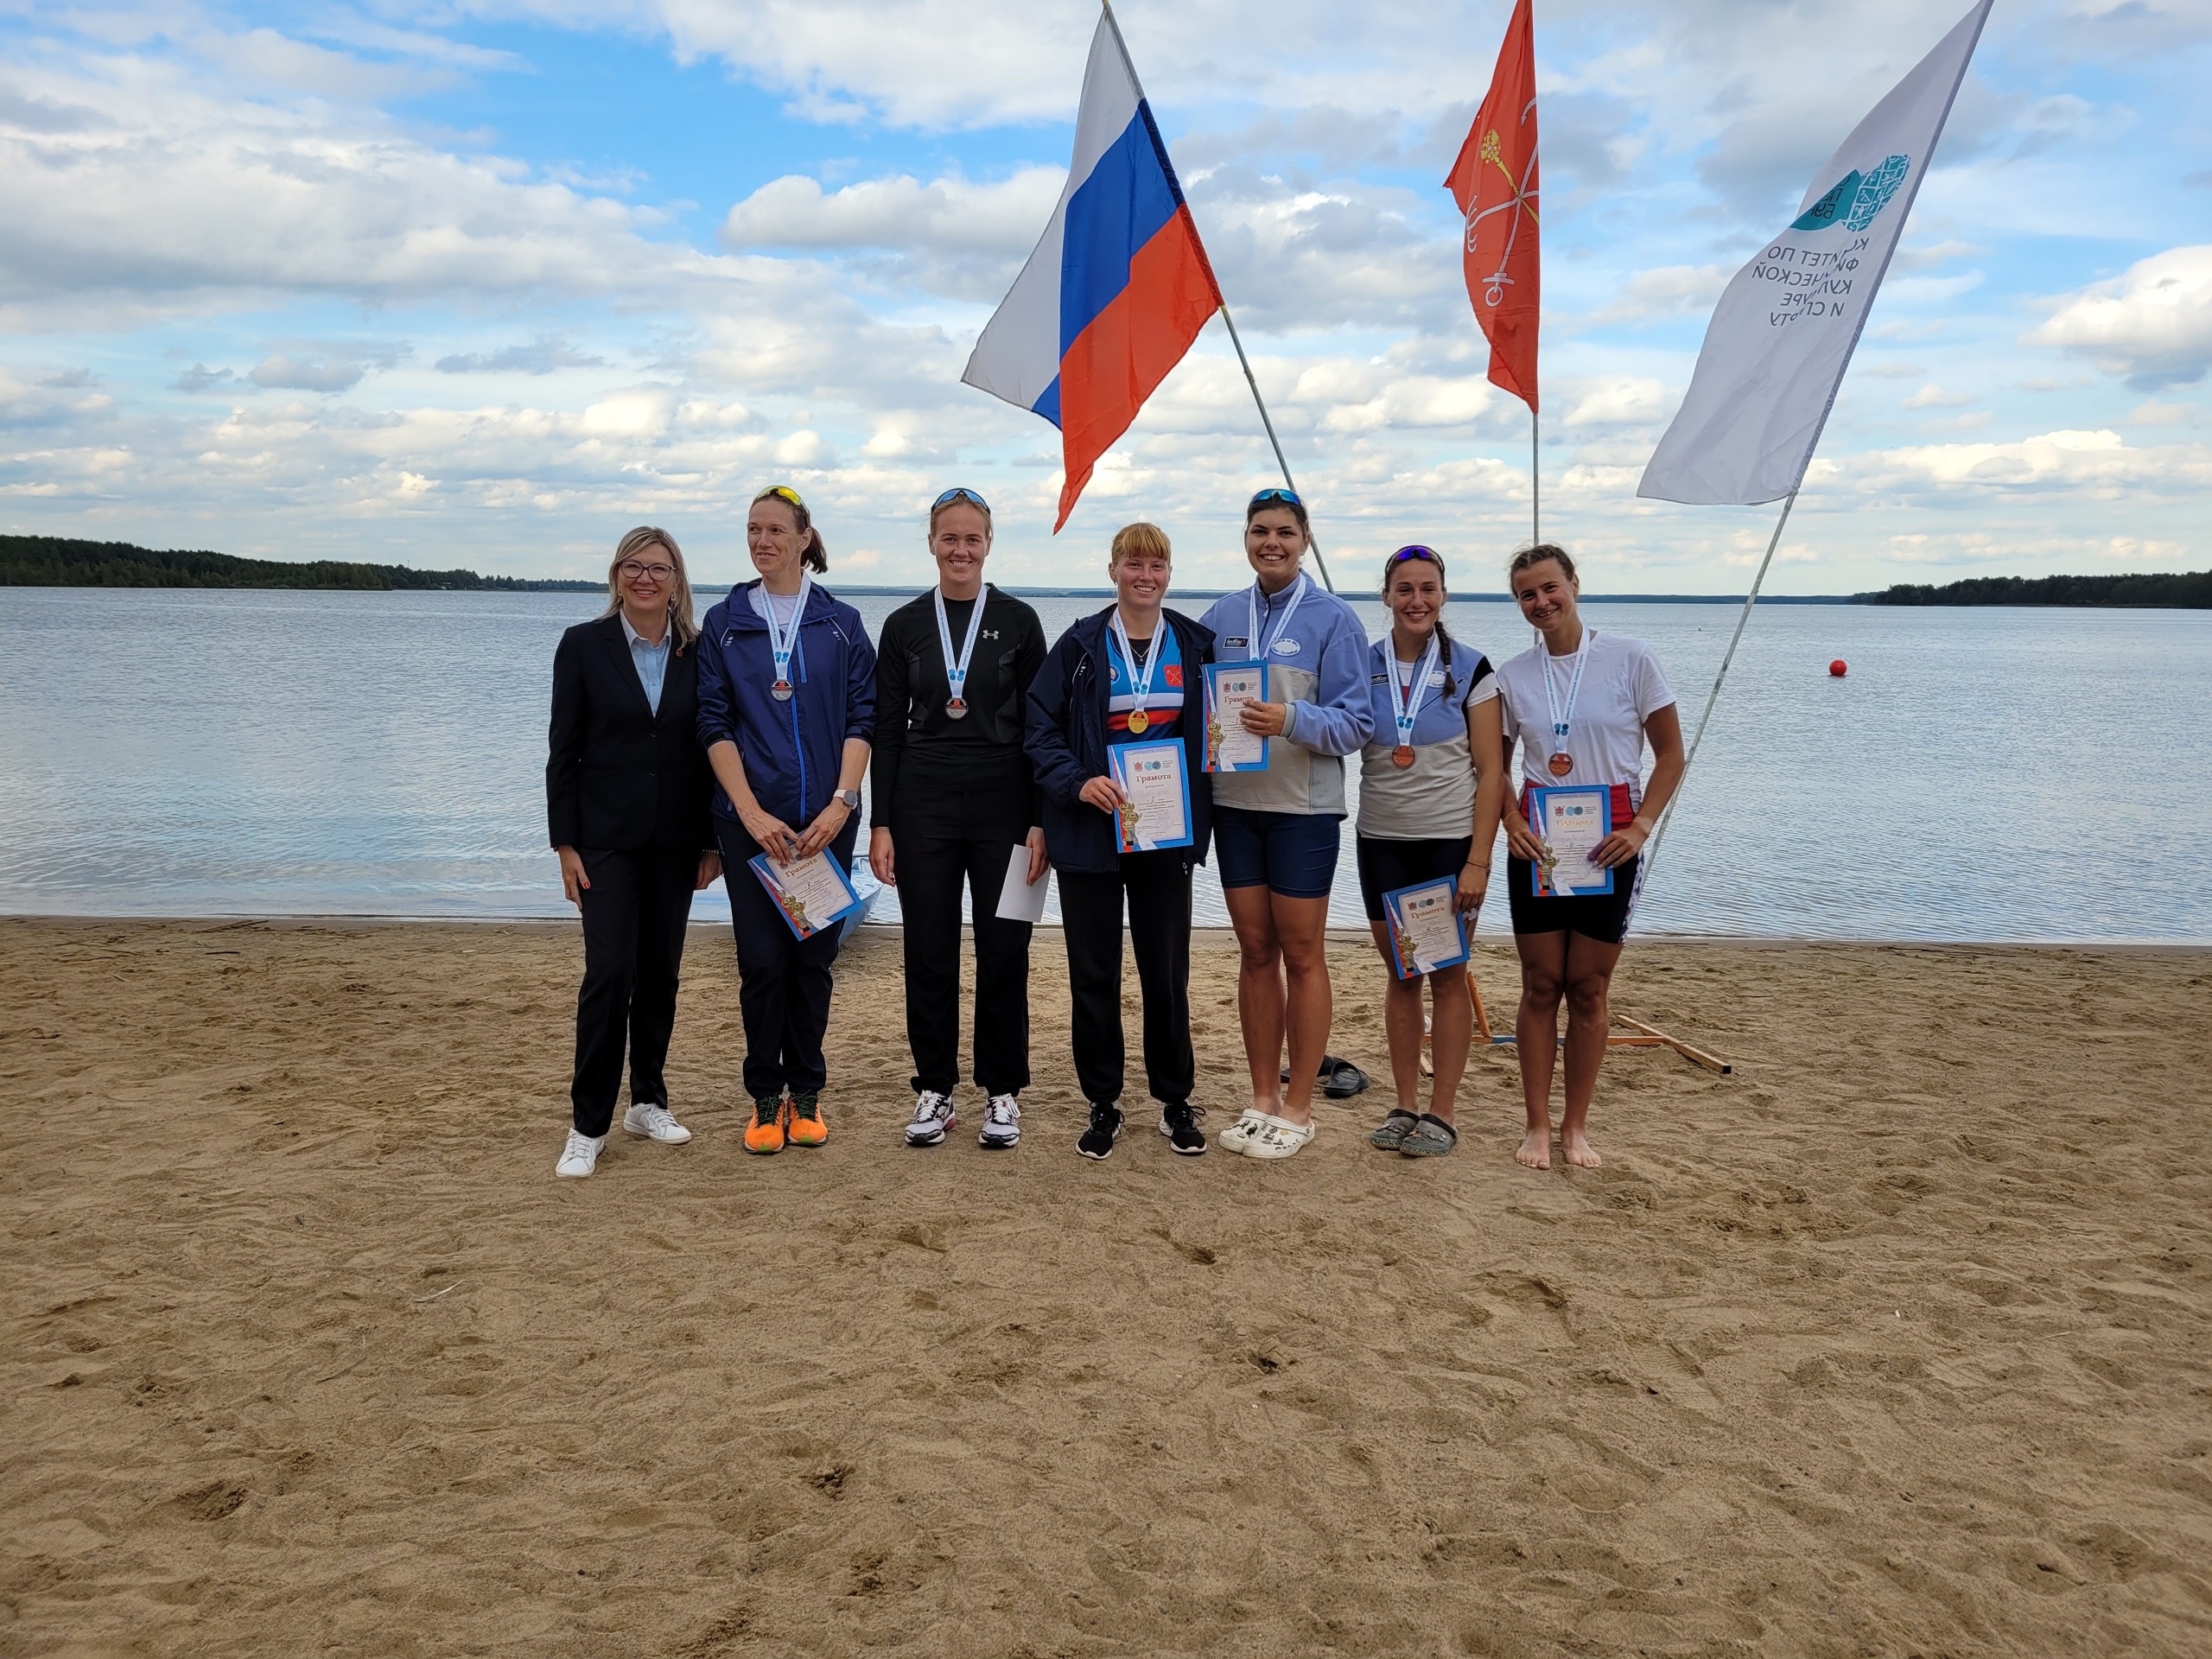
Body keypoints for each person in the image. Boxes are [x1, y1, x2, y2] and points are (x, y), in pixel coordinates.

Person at [696, 486, 877, 1156]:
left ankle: (807, 1094)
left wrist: (842, 803)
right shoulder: (725, 621)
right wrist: (747, 812)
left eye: (776, 530)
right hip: (751, 823)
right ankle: (763, 1100)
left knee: (814, 962)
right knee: (762, 963)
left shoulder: (841, 623)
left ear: (805, 538)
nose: (763, 540)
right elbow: (712, 722)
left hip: (826, 823)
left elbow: (864, 717)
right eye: (753, 530)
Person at [1026, 522, 1215, 1161]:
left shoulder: (1195, 643)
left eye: (1156, 566)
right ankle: (1103, 1102)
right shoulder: (1080, 644)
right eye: (1133, 564)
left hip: (1163, 836)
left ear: (1169, 574)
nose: (1145, 576)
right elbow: (1039, 730)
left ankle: (1173, 1099)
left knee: (1165, 975)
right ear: (1113, 570)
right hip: (1088, 835)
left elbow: (1221, 735)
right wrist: (1077, 782)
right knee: (1094, 974)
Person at [869, 488, 1049, 1151]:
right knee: (929, 949)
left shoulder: (1021, 620)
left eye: (973, 538)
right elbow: (886, 731)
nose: (961, 550)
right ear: (932, 544)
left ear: (989, 543)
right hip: (923, 805)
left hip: (1005, 803)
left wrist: (1040, 822)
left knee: (1006, 949)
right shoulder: (904, 624)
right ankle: (936, 1089)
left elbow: (1041, 729)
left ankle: (1002, 1092)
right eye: (950, 538)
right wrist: (880, 823)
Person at [1196, 489, 1373, 1160]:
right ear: (1246, 537)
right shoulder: (1221, 614)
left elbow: (1359, 723)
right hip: (1236, 808)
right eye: (1260, 531)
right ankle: (1263, 1096)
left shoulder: (1334, 619)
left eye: (1285, 533)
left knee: (1302, 954)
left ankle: (1299, 1106)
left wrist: (1291, 719)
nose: (1272, 542)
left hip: (1303, 812)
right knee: (1254, 952)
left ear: (1304, 541)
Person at [1496, 543, 1684, 1170]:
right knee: (1541, 984)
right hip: (1541, 844)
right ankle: (1537, 1126)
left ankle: (1576, 1127)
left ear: (1575, 584)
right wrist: (1512, 818)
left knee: (1590, 988)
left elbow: (1670, 757)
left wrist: (1642, 829)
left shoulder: (1631, 658)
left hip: (1610, 843)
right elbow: (1491, 767)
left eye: (1550, 588)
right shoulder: (1514, 675)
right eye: (1527, 594)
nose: (1541, 602)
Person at [547, 527, 721, 1179]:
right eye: (633, 567)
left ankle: (647, 1099)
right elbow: (563, 750)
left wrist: (712, 841)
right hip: (605, 842)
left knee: (660, 975)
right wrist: (564, 843)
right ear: (616, 574)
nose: (645, 579)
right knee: (609, 975)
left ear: (677, 579)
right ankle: (587, 1124)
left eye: (659, 568)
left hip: (676, 842)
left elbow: (710, 752)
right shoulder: (583, 646)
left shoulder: (698, 652)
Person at [1353, 546, 1506, 1159]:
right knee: (1401, 977)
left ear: (1443, 596)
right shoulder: (1360, 664)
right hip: (1380, 842)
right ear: (1385, 595)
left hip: (1449, 846)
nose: (1417, 600)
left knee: (1447, 978)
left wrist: (1479, 859)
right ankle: (1405, 1105)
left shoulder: (1471, 668)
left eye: (1428, 588)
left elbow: (1493, 773)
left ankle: (1441, 1113)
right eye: (1404, 588)